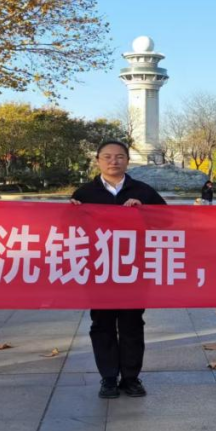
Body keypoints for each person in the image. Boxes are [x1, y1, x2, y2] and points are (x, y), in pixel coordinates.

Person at [70, 140, 166, 399]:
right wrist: (72, 213)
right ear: (98, 161)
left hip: (134, 269)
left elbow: (168, 222)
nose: (114, 161)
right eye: (107, 156)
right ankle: (109, 378)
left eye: (120, 156)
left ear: (127, 160)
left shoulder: (144, 191)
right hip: (98, 270)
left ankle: (131, 378)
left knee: (132, 323)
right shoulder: (84, 193)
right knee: (102, 323)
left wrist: (144, 212)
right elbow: (66, 230)